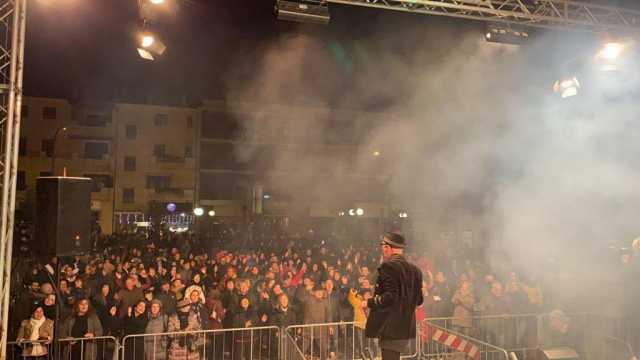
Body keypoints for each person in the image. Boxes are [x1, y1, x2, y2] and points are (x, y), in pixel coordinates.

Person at [364, 232, 423, 360]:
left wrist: (369, 302)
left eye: (383, 246)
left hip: (390, 327)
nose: (383, 250)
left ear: (388, 247)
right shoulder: (416, 270)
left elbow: (390, 296)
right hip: (406, 327)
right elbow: (419, 300)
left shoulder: (388, 266)